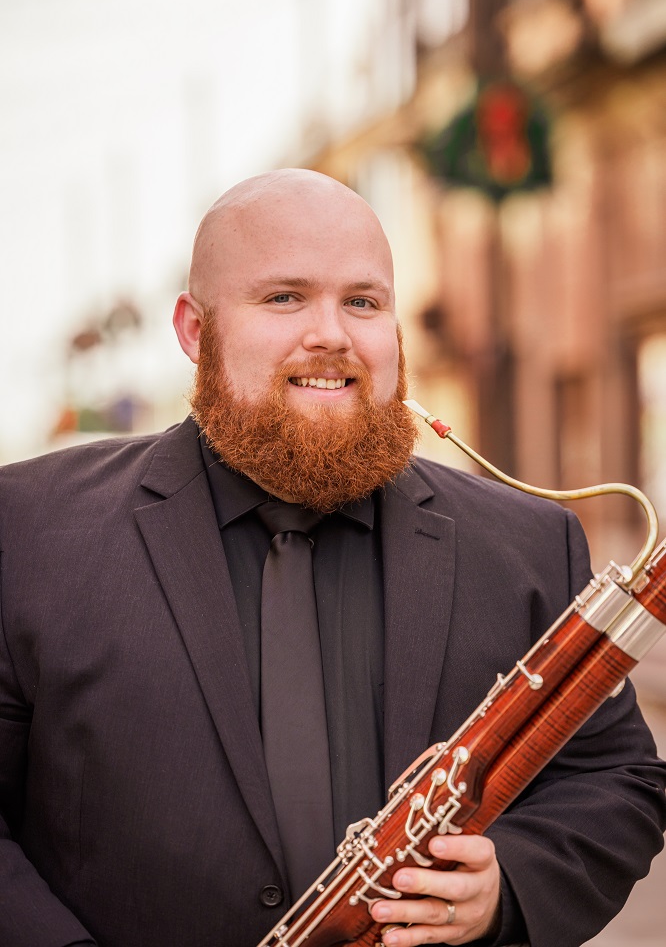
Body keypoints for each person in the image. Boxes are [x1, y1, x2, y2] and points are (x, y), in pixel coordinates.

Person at [0, 169, 664, 947]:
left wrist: (504, 887)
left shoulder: (528, 544)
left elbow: (617, 782)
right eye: (284, 298)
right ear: (194, 329)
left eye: (363, 301)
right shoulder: (29, 530)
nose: (332, 335)